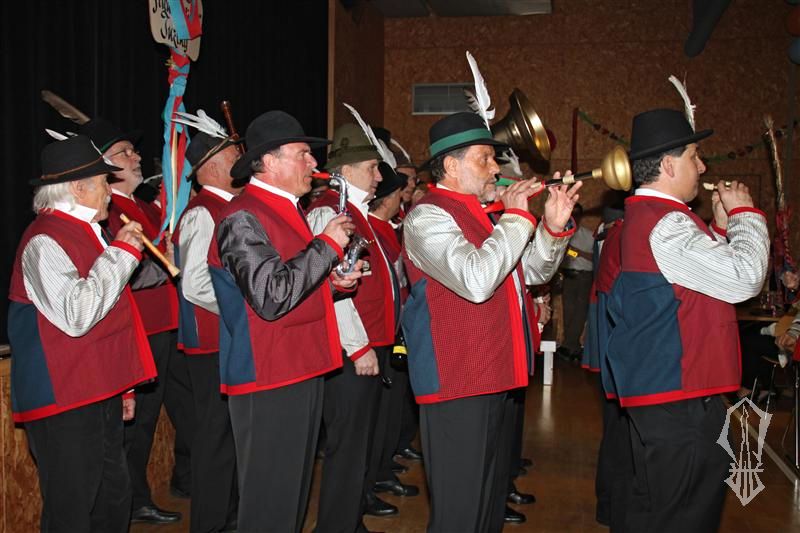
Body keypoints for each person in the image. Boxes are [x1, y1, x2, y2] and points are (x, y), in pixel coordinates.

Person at [402, 111, 580, 532]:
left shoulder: (485, 215)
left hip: (495, 375)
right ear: (451, 165)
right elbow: (477, 279)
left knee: (486, 507)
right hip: (458, 381)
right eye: (484, 158)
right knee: (460, 514)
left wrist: (552, 228)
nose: (496, 169)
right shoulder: (427, 217)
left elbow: (531, 273)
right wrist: (517, 218)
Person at [605, 108, 770, 532]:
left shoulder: (653, 217)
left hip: (663, 394)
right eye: (695, 156)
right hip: (678, 396)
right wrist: (746, 216)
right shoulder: (667, 224)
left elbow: (693, 281)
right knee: (684, 517)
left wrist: (719, 231)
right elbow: (744, 278)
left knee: (654, 511)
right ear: (667, 164)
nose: (703, 166)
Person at [210, 110, 359, 532]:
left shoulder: (283, 209)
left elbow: (292, 286)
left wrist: (332, 285)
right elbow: (271, 296)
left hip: (298, 368)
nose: (313, 163)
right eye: (303, 154)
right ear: (269, 162)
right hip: (267, 376)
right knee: (269, 506)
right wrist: (327, 245)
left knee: (290, 500)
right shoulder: (243, 216)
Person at [8, 135, 156, 532]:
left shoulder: (90, 232)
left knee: (112, 499)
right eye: (104, 182)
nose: (110, 190)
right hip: (64, 399)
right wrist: (122, 254)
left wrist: (124, 386)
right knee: (73, 510)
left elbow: (115, 317)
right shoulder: (43, 240)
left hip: (97, 389)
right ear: (77, 187)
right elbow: (78, 314)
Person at [81, 117, 191, 524]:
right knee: (138, 421)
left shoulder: (142, 207)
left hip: (167, 324)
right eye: (125, 153)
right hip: (141, 328)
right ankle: (132, 500)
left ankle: (185, 478)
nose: (136, 156)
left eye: (133, 150)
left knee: (181, 412)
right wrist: (165, 266)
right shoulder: (107, 212)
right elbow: (122, 272)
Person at [308, 122, 409, 528]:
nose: (380, 176)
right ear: (346, 170)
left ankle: (349, 520)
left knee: (361, 443)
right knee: (348, 446)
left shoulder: (356, 213)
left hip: (370, 343)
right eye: (372, 167)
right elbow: (327, 285)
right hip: (351, 350)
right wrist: (358, 346)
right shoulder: (328, 211)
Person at [172, 121, 243, 532]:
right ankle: (211, 523)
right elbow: (196, 285)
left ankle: (229, 517)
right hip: (212, 341)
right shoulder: (202, 213)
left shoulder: (227, 207)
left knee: (229, 436)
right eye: (234, 156)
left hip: (229, 338)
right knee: (215, 438)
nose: (242, 160)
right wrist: (247, 309)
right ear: (212, 166)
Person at [557, 202, 594, 363]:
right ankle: (570, 346)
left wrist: (576, 252)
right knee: (568, 311)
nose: (575, 217)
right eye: (573, 213)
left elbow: (594, 257)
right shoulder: (564, 233)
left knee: (580, 312)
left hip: (584, 276)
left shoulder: (588, 235)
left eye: (578, 214)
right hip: (568, 275)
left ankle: (570, 346)